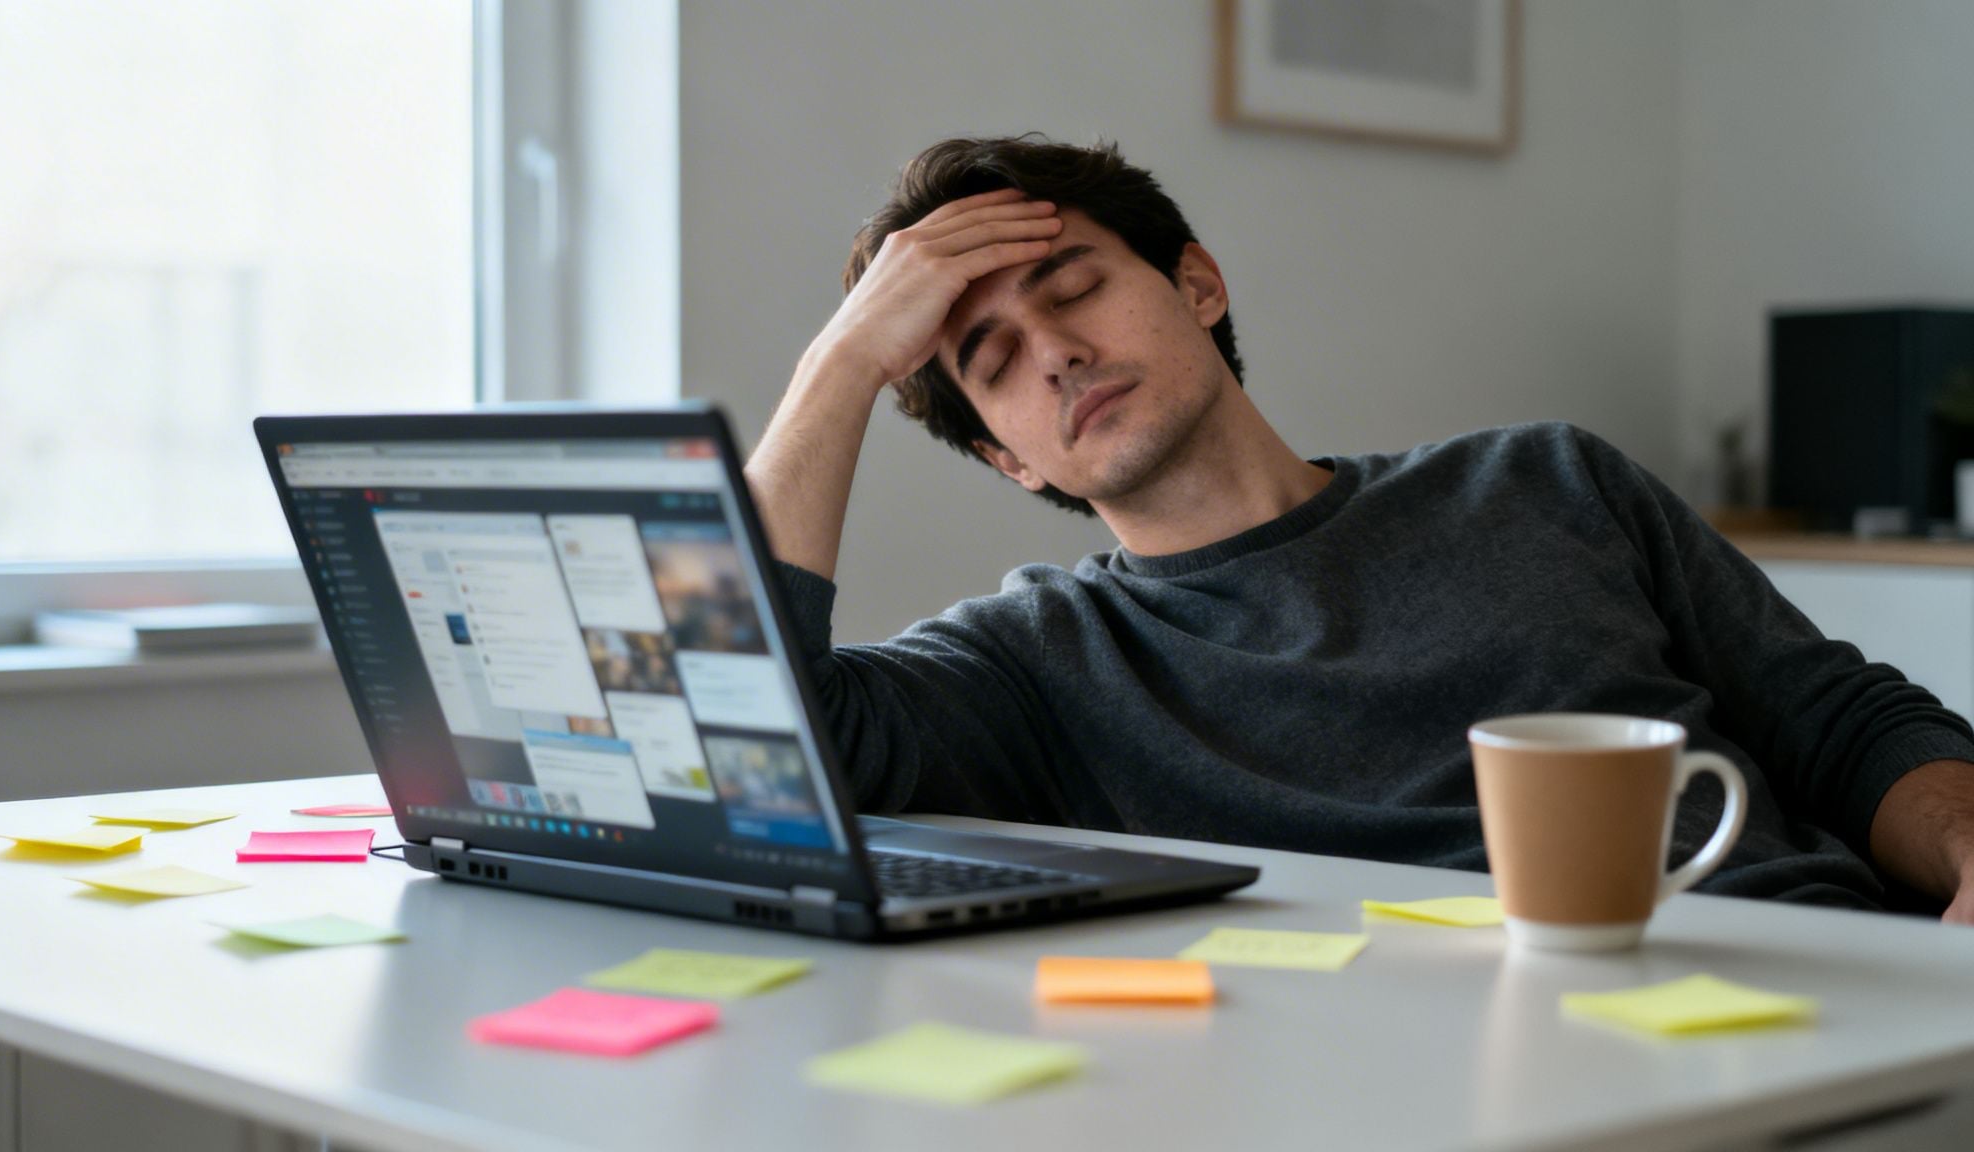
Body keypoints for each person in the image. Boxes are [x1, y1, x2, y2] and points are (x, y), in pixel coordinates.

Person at [741, 134, 1974, 923]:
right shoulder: (1034, 662)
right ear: (1005, 457)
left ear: (1195, 283)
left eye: (1072, 289)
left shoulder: (1544, 481)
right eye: (993, 357)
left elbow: (1843, 725)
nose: (1055, 349)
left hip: (1819, 986)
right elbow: (749, 743)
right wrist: (839, 364)